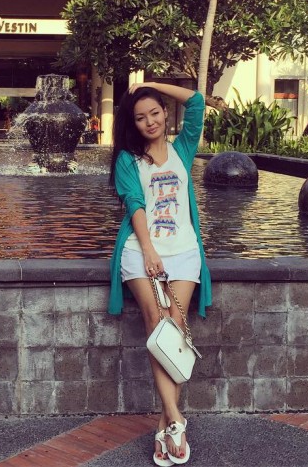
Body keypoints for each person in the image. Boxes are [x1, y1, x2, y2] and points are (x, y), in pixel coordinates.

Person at [108, 81, 211, 467]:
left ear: (166, 113)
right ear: (132, 123)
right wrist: (149, 250)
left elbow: (197, 102)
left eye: (155, 112)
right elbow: (135, 204)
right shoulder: (128, 160)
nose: (150, 121)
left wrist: (150, 85)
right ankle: (177, 419)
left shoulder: (183, 149)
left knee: (175, 329)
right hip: (141, 251)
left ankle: (164, 424)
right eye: (140, 117)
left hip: (184, 252)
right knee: (157, 326)